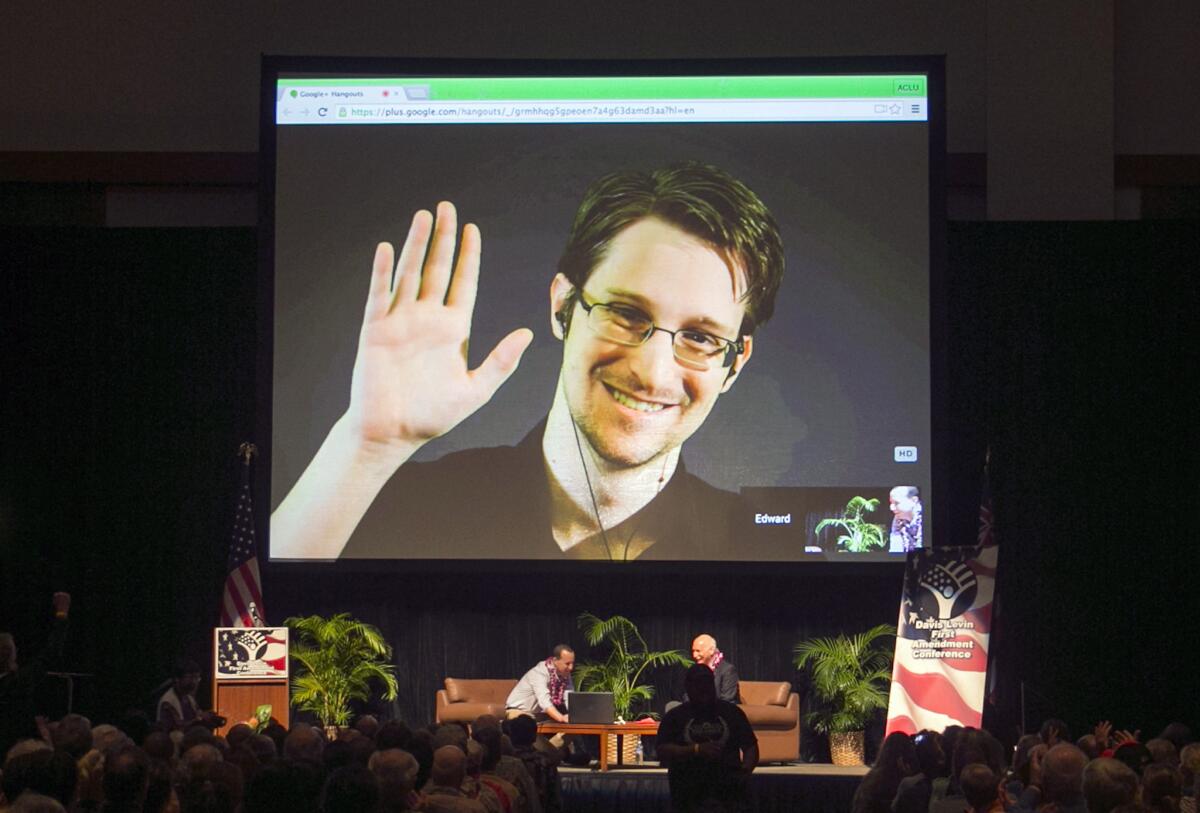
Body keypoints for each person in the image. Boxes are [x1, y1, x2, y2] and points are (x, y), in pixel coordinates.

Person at [271, 162, 785, 562]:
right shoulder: (408, 501)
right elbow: (251, 623)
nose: (652, 371)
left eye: (699, 337)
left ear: (734, 365)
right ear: (563, 306)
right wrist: (366, 446)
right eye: (626, 313)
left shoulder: (761, 543)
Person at [657, 664, 758, 813]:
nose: (703, 688)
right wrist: (696, 750)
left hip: (728, 789)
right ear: (688, 686)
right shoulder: (675, 716)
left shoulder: (732, 713)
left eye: (707, 682)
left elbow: (751, 747)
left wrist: (744, 772)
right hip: (688, 788)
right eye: (698, 683)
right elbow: (662, 750)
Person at [0, 592, 71, 756]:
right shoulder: (17, 682)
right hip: (14, 754)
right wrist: (62, 613)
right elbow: (51, 653)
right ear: (12, 654)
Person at [505, 646, 574, 724]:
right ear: (555, 660)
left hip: (538, 715)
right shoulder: (539, 672)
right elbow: (544, 701)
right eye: (567, 664)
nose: (571, 667)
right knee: (529, 727)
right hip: (517, 712)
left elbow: (569, 697)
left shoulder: (565, 674)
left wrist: (575, 717)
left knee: (572, 733)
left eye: (572, 663)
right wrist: (561, 718)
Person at [156, 659, 220, 732]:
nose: (194, 682)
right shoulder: (168, 701)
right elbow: (177, 728)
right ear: (177, 679)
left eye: (196, 678)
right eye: (190, 677)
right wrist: (200, 719)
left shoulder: (189, 698)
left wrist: (207, 716)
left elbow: (197, 715)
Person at [689, 635, 739, 703]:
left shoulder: (727, 670)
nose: (694, 655)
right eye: (693, 651)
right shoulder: (695, 670)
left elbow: (727, 700)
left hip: (718, 711)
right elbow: (687, 695)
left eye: (698, 651)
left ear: (711, 650)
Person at [888, 486, 923, 552]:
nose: (891, 508)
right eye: (891, 503)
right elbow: (895, 549)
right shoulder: (897, 519)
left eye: (897, 503)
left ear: (914, 500)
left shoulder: (925, 517)